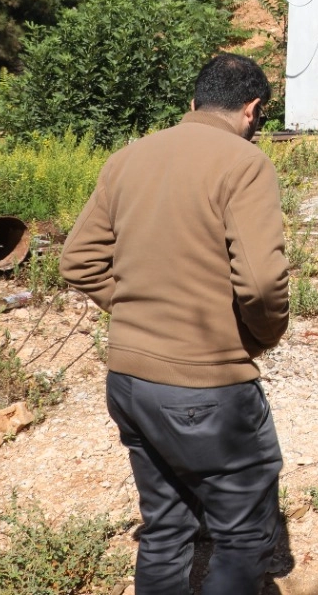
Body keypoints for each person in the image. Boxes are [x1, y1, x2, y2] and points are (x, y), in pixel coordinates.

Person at [61, 53, 289, 595]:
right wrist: (259, 336)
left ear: (193, 102)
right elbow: (261, 284)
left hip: (129, 382)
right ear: (253, 109)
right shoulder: (245, 163)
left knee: (164, 529)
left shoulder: (127, 158)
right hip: (206, 388)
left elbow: (78, 260)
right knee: (243, 536)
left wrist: (136, 311)